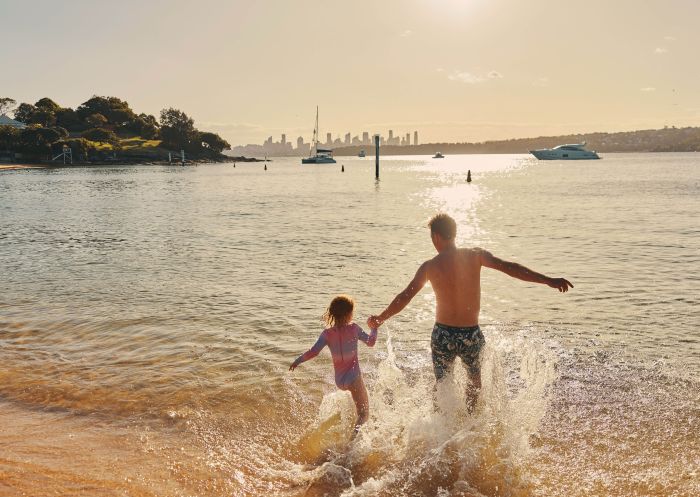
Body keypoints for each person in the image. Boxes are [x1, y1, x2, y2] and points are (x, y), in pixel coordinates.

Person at [367, 213, 572, 412]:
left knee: (442, 386)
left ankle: (440, 434)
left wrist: (380, 318)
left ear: (436, 236)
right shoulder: (475, 256)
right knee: (474, 387)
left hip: (442, 335)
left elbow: (405, 296)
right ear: (454, 234)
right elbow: (511, 268)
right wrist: (547, 280)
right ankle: (470, 429)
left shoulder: (430, 266)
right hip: (470, 335)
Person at [290, 295, 378, 435]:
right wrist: (374, 328)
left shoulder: (327, 334)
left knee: (356, 408)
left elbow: (313, 352)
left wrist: (298, 360)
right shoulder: (354, 329)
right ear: (349, 314)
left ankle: (346, 428)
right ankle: (351, 444)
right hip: (353, 378)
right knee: (364, 414)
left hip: (339, 381)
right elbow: (371, 342)